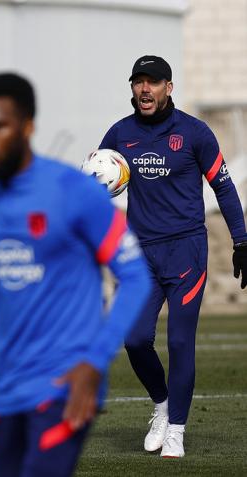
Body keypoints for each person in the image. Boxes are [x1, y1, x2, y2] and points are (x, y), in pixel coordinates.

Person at [0, 72, 151, 477]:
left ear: (27, 127)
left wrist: (95, 362)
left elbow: (136, 277)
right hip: (8, 391)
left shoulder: (75, 192)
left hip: (67, 385)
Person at [98, 55, 247, 458]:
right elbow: (95, 186)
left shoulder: (195, 134)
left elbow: (225, 188)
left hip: (186, 252)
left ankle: (177, 429)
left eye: (153, 82)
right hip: (140, 256)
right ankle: (162, 406)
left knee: (180, 341)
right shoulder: (119, 134)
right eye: (138, 82)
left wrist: (242, 240)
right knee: (134, 338)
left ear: (169, 87)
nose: (145, 89)